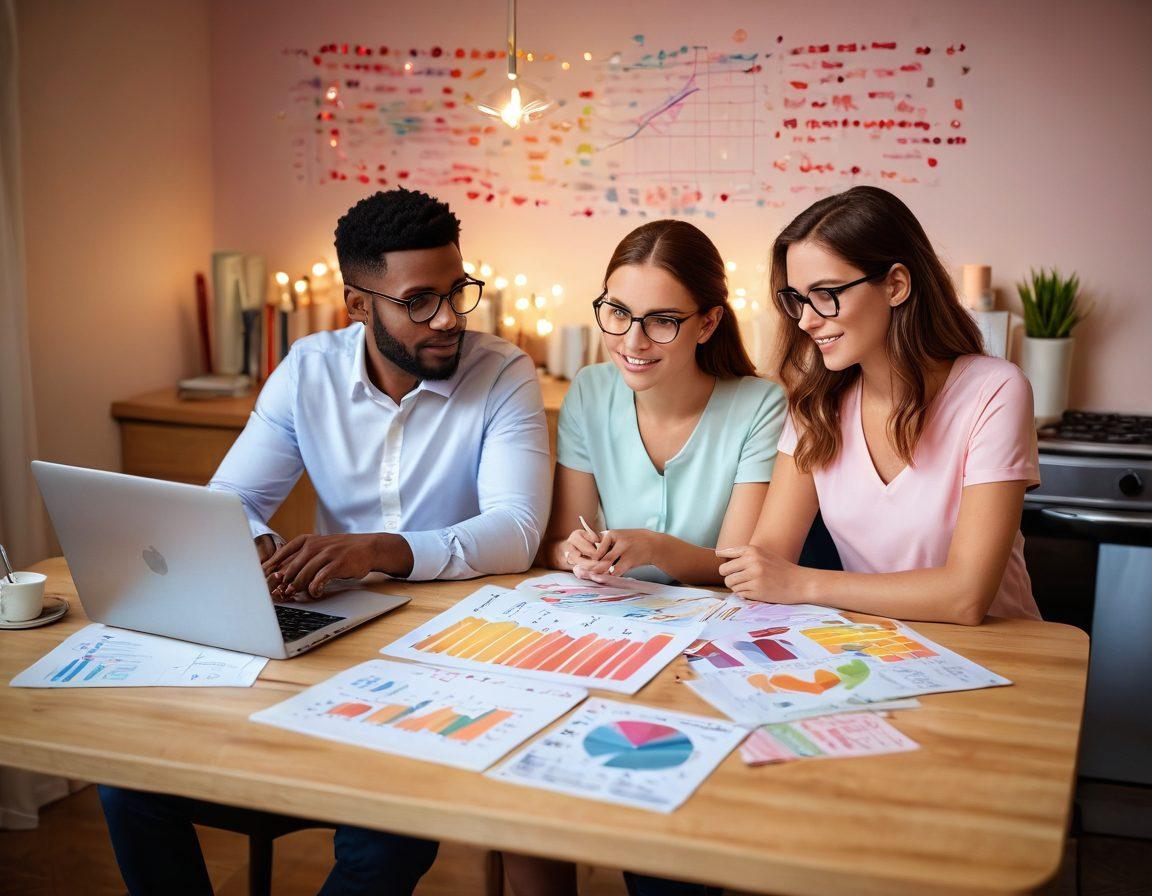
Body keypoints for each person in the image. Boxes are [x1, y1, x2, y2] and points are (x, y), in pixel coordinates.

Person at [98, 187, 552, 895]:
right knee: (128, 785)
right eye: (419, 301)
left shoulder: (502, 373)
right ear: (358, 304)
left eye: (457, 292)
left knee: (386, 834)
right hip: (331, 634)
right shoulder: (307, 371)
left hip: (454, 652)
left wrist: (377, 549)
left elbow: (516, 531)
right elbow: (230, 501)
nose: (447, 319)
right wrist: (252, 546)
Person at [508, 219, 785, 896]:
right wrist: (574, 551)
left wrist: (655, 549)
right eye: (618, 313)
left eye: (662, 321)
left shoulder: (760, 405)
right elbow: (559, 539)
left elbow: (739, 568)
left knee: (663, 857)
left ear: (708, 322)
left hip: (709, 655)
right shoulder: (589, 391)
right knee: (526, 806)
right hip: (604, 638)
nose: (632, 341)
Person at [719, 185, 1042, 624]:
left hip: (1002, 651)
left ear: (895, 285)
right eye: (797, 299)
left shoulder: (995, 391)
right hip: (876, 647)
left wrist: (803, 584)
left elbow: (965, 597)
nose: (807, 320)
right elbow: (767, 561)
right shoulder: (816, 404)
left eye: (826, 294)